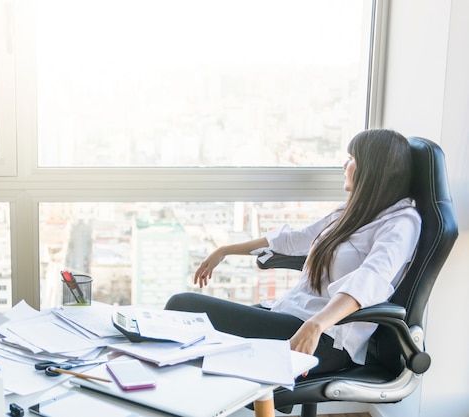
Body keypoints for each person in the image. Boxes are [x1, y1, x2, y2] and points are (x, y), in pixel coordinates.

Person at [165, 129, 421, 375]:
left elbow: (371, 279)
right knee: (192, 335)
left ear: (373, 169)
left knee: (182, 306)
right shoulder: (351, 212)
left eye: (352, 159)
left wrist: (316, 324)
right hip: (290, 314)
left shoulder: (401, 223)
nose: (345, 165)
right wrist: (225, 250)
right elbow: (294, 240)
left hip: (327, 338)